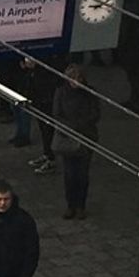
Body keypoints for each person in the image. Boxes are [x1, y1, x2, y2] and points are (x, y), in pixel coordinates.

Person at [52, 64, 100, 219]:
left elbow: (95, 114)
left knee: (83, 175)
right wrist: (71, 127)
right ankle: (70, 205)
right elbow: (57, 114)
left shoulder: (90, 93)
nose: (76, 82)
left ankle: (80, 206)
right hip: (68, 138)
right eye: (72, 78)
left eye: (79, 78)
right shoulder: (61, 93)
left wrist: (81, 126)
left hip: (86, 137)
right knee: (69, 174)